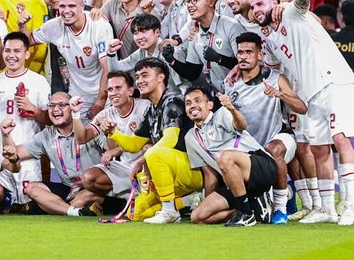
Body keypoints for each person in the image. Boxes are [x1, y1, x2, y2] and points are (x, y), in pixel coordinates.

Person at [250, 0, 354, 225]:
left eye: (260, 3)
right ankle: (328, 209)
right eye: (252, 6)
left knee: (340, 140)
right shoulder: (270, 38)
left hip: (334, 81)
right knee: (319, 148)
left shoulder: (292, 12)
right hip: (311, 93)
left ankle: (350, 206)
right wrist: (283, 93)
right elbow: (277, 71)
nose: (255, 10)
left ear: (274, 3)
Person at [104, 58, 202, 223]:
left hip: (192, 169)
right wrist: (112, 133)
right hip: (169, 172)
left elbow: (171, 139)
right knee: (137, 214)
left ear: (160, 77)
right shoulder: (151, 108)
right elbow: (134, 144)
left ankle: (170, 211)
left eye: (144, 75)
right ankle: (189, 201)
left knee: (153, 153)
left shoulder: (173, 100)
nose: (139, 81)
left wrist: (143, 160)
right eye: (137, 77)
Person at [224, 32, 308, 224]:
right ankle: (279, 196)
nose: (243, 56)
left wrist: (280, 94)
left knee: (273, 150)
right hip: (251, 147)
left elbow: (302, 108)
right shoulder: (230, 84)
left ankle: (281, 210)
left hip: (279, 136)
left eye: (248, 52)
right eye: (240, 53)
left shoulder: (275, 78)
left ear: (260, 54)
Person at [1, 92, 106, 217]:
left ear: (72, 107)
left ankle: (47, 206)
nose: (56, 109)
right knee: (31, 188)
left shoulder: (90, 127)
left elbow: (112, 149)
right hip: (68, 187)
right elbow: (15, 152)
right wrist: (6, 135)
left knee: (86, 196)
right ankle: (75, 211)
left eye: (62, 105)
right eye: (51, 106)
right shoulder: (46, 135)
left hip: (91, 186)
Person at [184, 87, 278, 227]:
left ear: (209, 105)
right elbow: (209, 174)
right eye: (188, 103)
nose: (192, 105)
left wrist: (232, 109)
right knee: (198, 216)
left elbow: (241, 125)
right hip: (235, 182)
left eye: (198, 101)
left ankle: (246, 215)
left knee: (223, 157)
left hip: (261, 166)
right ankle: (251, 208)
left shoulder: (222, 114)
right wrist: (208, 202)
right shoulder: (190, 137)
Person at [21, 0, 112, 120]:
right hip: (77, 95)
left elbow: (107, 68)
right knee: (78, 138)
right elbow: (26, 41)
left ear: (82, 6)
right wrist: (23, 26)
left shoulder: (99, 26)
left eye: (72, 6)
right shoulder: (54, 26)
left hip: (104, 94)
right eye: (62, 6)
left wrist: (100, 101)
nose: (66, 11)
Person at [0, 32, 50, 206]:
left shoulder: (39, 81)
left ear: (26, 54)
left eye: (17, 51)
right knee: (5, 207)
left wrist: (34, 109)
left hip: (28, 156)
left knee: (30, 206)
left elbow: (50, 120)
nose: (11, 56)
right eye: (7, 51)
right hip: (2, 155)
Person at [78, 71, 151, 203]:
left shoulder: (145, 106)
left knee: (148, 147)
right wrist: (75, 114)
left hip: (147, 165)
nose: (113, 93)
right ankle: (128, 198)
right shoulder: (105, 114)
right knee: (88, 178)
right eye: (110, 89)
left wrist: (117, 150)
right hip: (124, 167)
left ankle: (152, 196)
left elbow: (154, 139)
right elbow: (81, 138)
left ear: (130, 91)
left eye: (118, 88)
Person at [162, 0, 245, 93]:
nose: (190, 5)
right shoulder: (195, 35)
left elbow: (246, 62)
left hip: (243, 91)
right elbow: (192, 73)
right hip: (221, 96)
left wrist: (219, 59)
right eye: (188, 1)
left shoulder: (232, 26)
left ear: (211, 2)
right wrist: (172, 60)